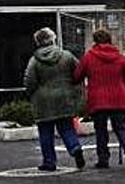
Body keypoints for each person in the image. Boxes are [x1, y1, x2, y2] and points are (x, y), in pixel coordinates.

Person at [73, 28, 125, 170]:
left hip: (98, 98)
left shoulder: (89, 57)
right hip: (118, 97)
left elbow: (77, 76)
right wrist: (120, 86)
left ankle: (103, 159)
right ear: (110, 40)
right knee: (121, 127)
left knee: (100, 129)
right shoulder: (120, 57)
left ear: (95, 41)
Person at [24, 27, 86, 172]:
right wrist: (72, 86)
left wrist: (31, 94)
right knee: (67, 128)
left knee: (45, 132)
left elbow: (29, 80)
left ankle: (49, 162)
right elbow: (78, 72)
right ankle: (75, 147)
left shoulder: (34, 60)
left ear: (38, 42)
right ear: (53, 39)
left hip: (43, 101)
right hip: (65, 98)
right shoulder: (66, 56)